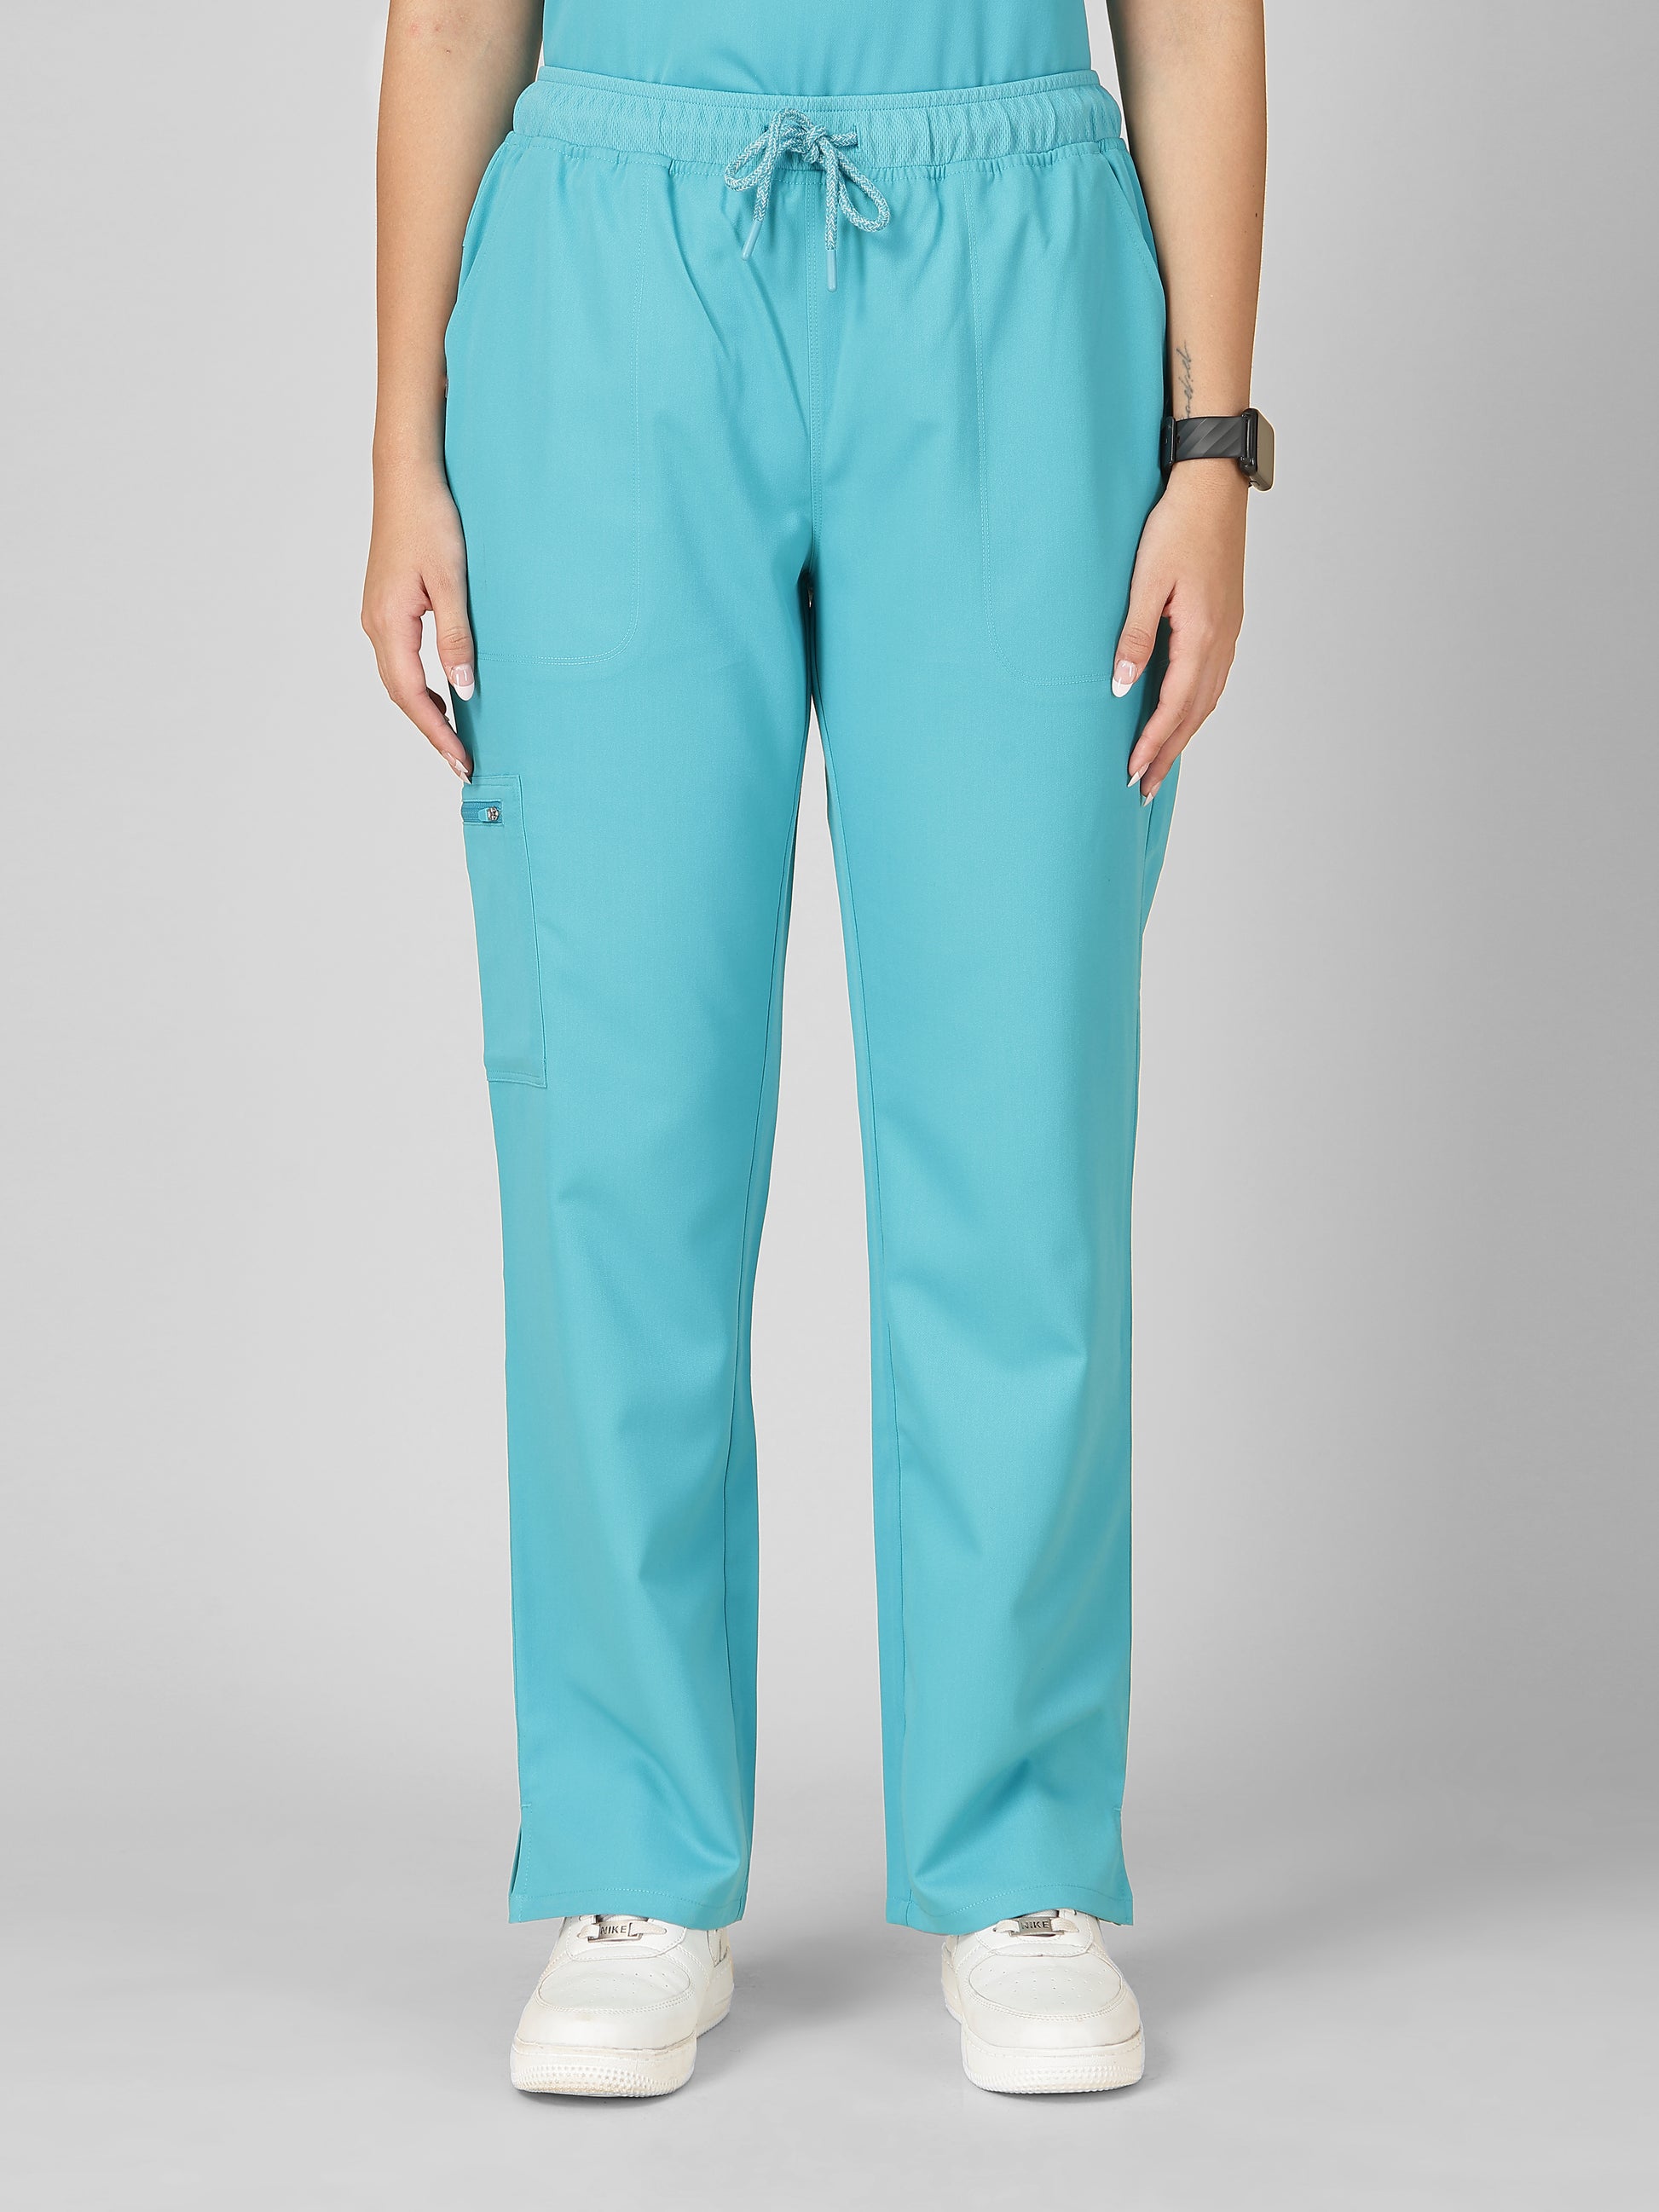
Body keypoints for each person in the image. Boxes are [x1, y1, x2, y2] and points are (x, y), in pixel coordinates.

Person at [363, 0, 1267, 2099]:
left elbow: (1194, 22)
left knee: (1018, 1109)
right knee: (614, 1119)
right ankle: (630, 1854)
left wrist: (1214, 452)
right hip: (606, 270)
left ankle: (1021, 1851)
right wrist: (402, 446)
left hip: (1014, 266)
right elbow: (455, 18)